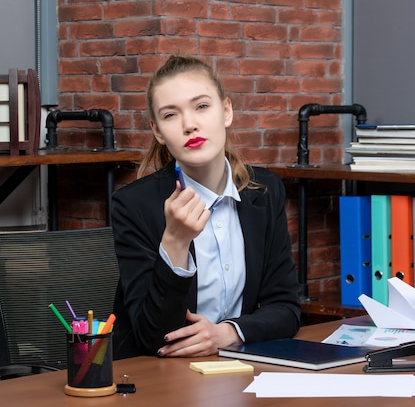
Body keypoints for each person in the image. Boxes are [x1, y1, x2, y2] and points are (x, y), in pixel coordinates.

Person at [111, 54, 301, 359]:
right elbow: (152, 337)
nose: (190, 125)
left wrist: (227, 333)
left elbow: (287, 309)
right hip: (158, 380)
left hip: (237, 368)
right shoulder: (134, 205)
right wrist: (175, 242)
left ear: (226, 111)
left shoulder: (264, 192)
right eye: (171, 115)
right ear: (157, 131)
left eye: (201, 106)